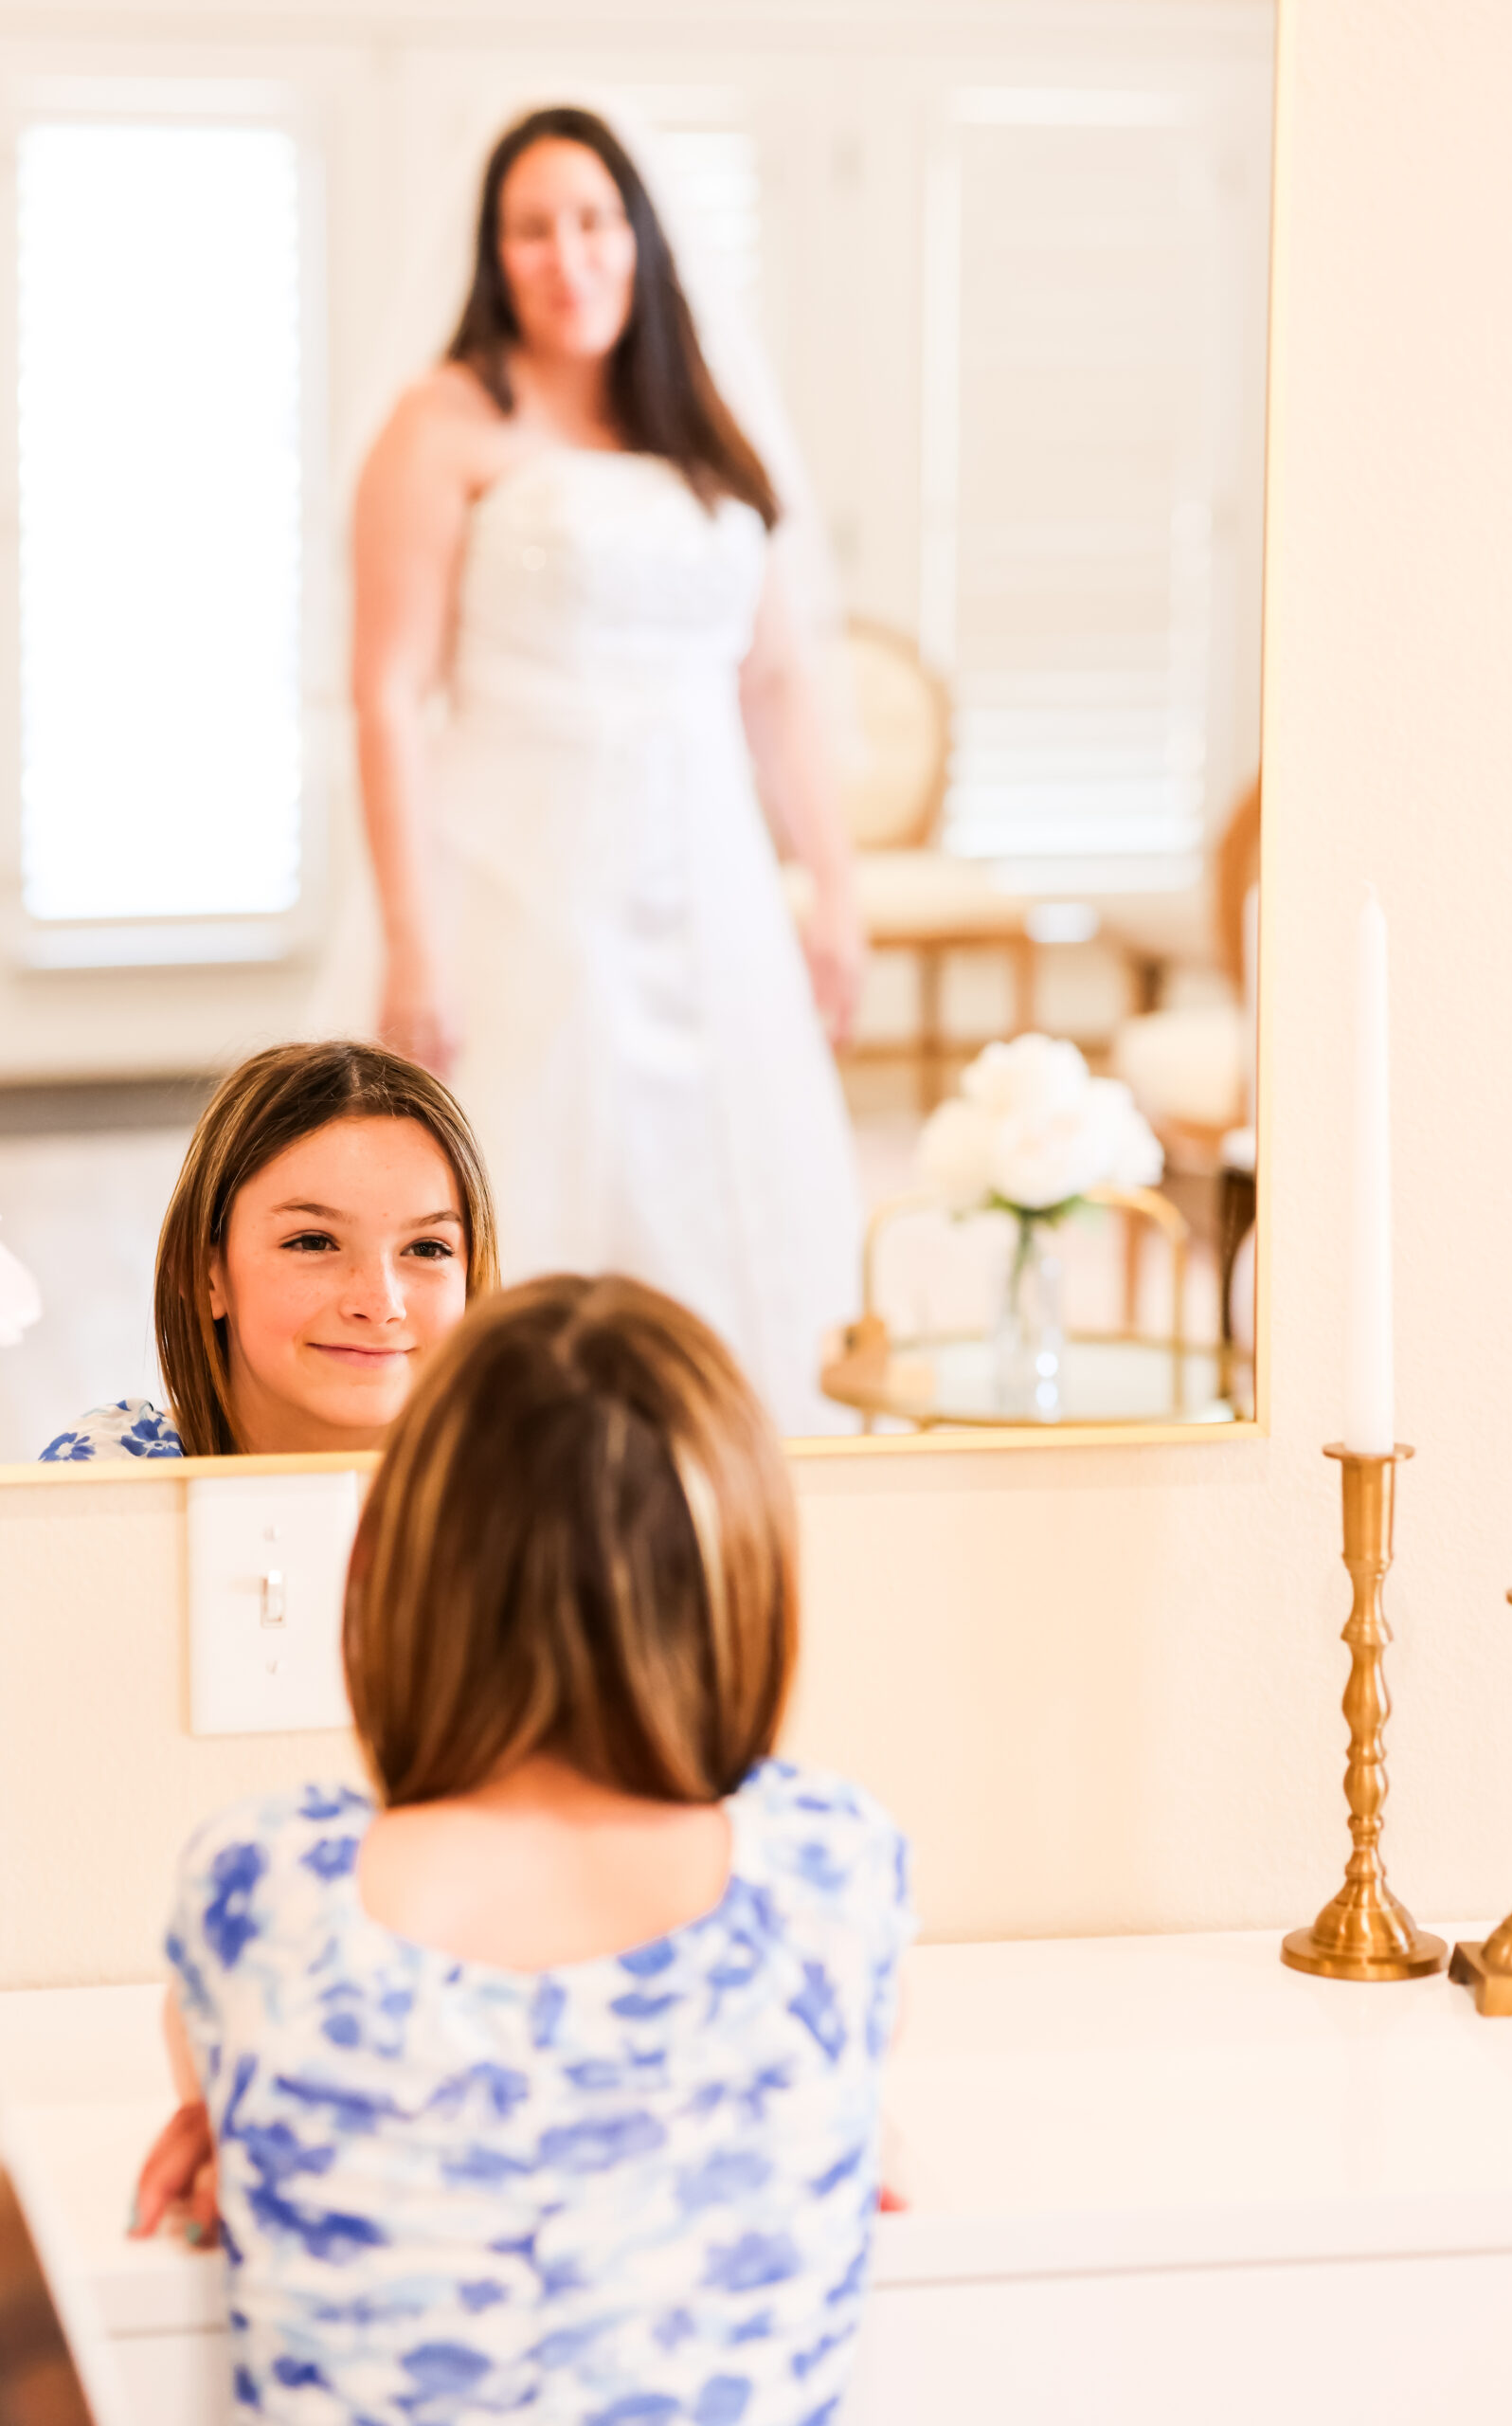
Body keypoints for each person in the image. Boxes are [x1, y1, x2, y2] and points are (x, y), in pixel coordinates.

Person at [133, 1272, 914, 2421]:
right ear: (743, 1580)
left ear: (390, 1567)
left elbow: (220, 2062)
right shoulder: (828, 1869)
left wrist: (246, 2110)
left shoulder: (262, 1885)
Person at [346, 103, 864, 1435]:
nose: (566, 256)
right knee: (536, 1181)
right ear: (493, 251)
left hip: (713, 892)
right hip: (521, 883)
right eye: (532, 228)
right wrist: (414, 942)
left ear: (639, 238)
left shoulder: (705, 430)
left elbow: (777, 683)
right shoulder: (444, 422)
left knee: (727, 1191)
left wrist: (836, 893)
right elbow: (389, 694)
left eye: (592, 221)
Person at [39, 1041, 496, 1461]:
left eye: (427, 1248)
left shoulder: (522, 1481)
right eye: (313, 1242)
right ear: (204, 1275)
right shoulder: (103, 1485)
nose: (380, 1305)